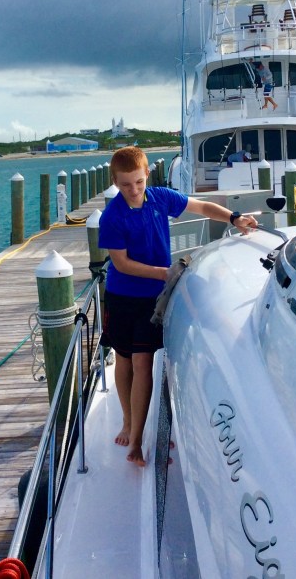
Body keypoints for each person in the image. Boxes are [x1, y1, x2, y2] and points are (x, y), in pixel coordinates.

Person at [98, 146, 257, 466]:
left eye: (139, 182)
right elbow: (123, 264)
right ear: (114, 180)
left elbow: (201, 206)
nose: (133, 190)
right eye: (126, 184)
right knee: (125, 361)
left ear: (147, 176)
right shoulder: (112, 217)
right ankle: (128, 421)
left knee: (143, 363)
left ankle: (137, 441)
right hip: (122, 296)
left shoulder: (159, 198)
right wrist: (165, 272)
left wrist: (235, 217)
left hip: (153, 299)